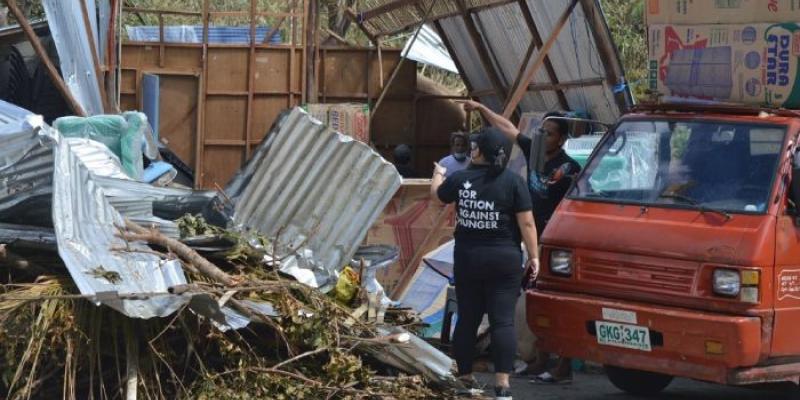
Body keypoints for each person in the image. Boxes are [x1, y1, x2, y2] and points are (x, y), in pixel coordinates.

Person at [463, 100, 580, 384]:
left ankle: (563, 365)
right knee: (535, 303)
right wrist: (480, 108)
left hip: (553, 243)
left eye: (549, 133)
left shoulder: (570, 168)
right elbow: (507, 128)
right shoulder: (534, 152)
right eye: (541, 131)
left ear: (562, 139)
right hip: (531, 241)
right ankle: (540, 360)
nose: (542, 136)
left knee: (558, 302)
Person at [431, 127, 540, 400]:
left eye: (474, 146)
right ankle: (502, 386)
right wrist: (535, 256)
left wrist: (437, 174)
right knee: (503, 322)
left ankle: (465, 377)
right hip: (505, 260)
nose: (470, 149)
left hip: (469, 259)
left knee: (467, 318)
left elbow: (437, 196)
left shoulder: (459, 178)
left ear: (479, 151)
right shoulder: (514, 182)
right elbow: (526, 222)